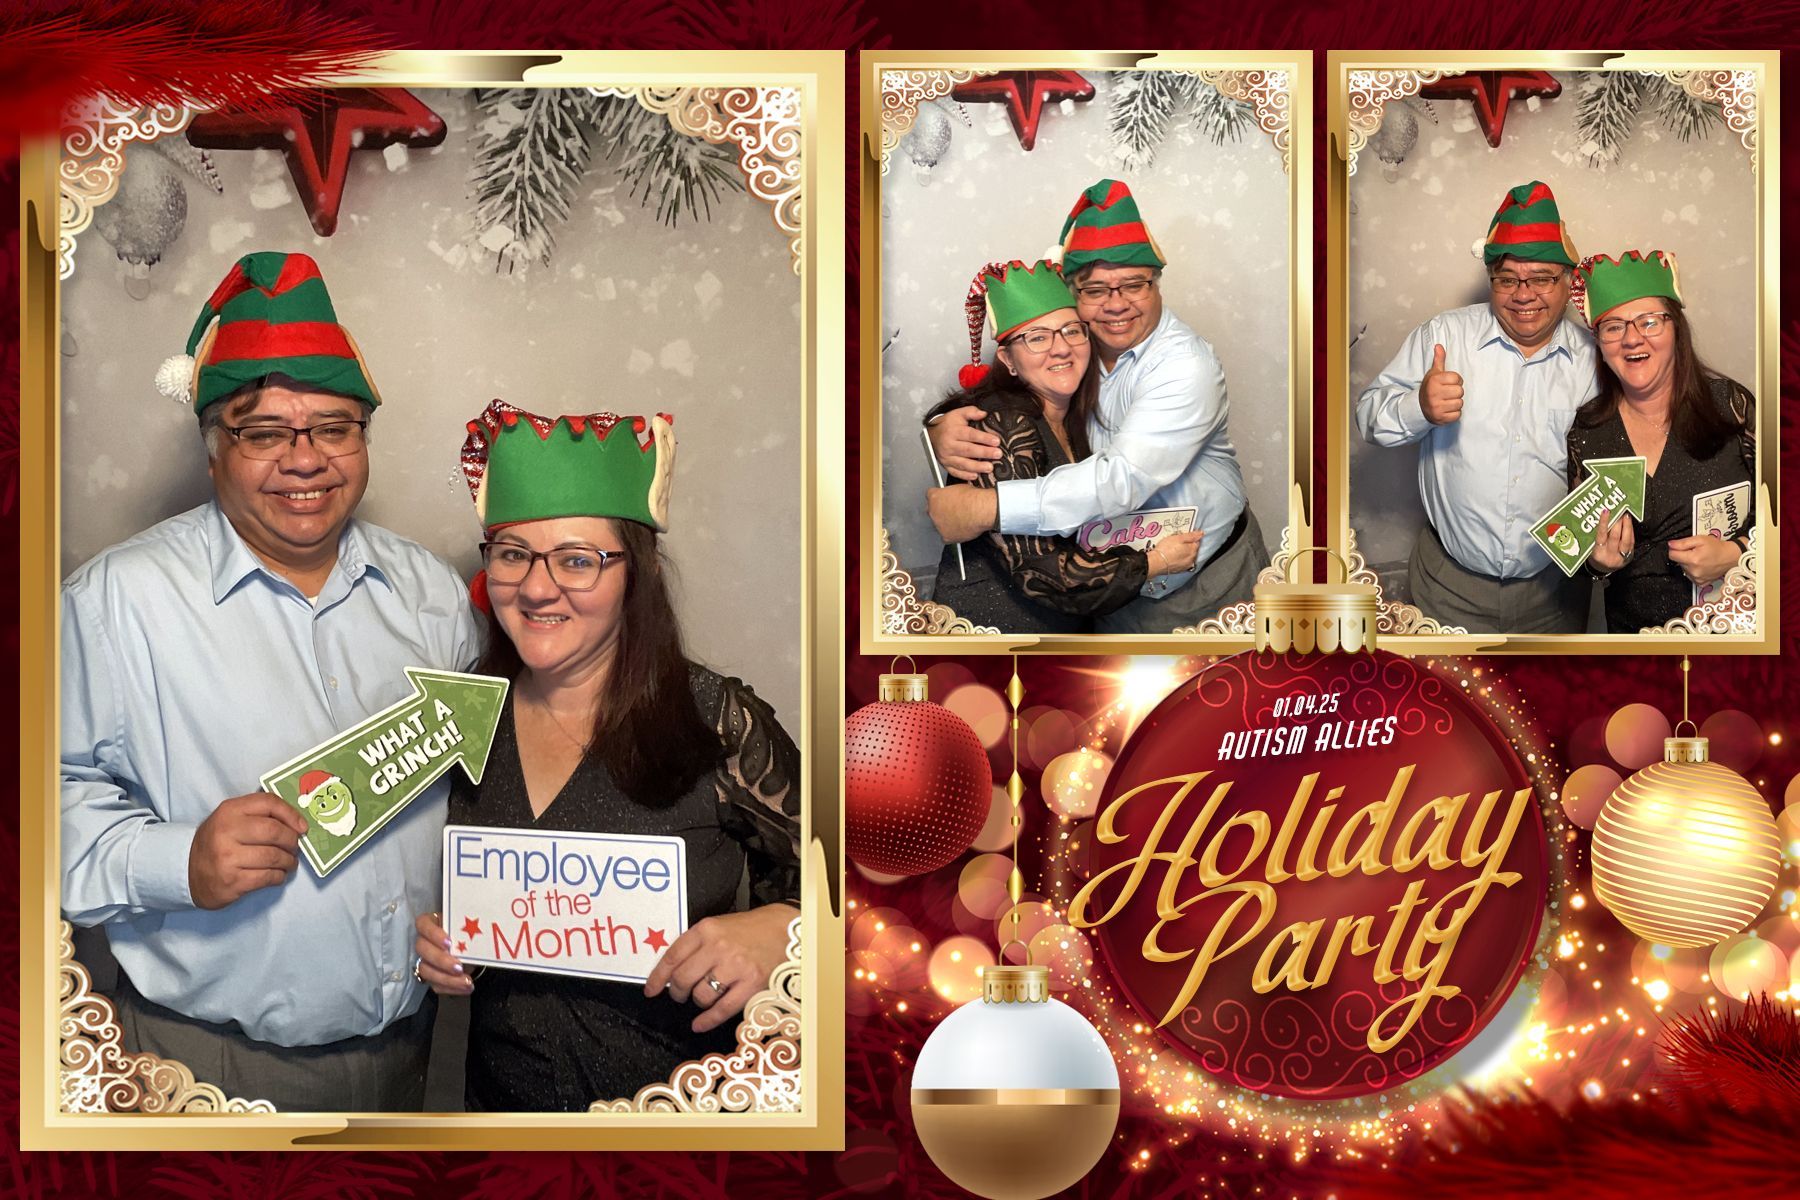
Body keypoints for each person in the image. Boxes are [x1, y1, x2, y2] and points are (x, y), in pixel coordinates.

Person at [60, 251, 481, 1110]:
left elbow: (482, 785)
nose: (306, 458)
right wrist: (177, 860)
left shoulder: (432, 595)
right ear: (215, 449)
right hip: (203, 1066)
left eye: (334, 426)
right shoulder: (115, 601)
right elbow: (39, 806)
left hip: (409, 1055)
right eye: (265, 433)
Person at [414, 400, 801, 1111]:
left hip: (683, 1126)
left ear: (638, 572)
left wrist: (785, 930)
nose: (535, 587)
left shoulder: (718, 717)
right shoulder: (463, 713)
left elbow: (871, 895)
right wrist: (436, 939)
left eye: (577, 560)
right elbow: (444, 886)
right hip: (507, 1127)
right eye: (511, 554)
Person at [925, 180, 1267, 633]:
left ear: (1158, 284)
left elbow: (1119, 479)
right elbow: (1006, 399)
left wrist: (987, 507)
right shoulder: (1075, 359)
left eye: (1133, 285)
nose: (1116, 305)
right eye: (1095, 290)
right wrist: (939, 430)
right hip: (1101, 592)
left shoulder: (1185, 365)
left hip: (1204, 583)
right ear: (1075, 295)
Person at [1355, 179, 1596, 634]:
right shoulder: (1443, 336)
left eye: (1542, 278)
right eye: (1507, 279)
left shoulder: (1597, 360)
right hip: (1448, 588)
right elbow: (1368, 416)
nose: (1523, 295)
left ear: (1569, 282)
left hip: (1557, 591)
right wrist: (1417, 407)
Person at [927, 259, 1204, 632]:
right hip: (996, 636)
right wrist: (1157, 562)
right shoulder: (1002, 425)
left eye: (1072, 331)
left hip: (1061, 633)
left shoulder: (1077, 415)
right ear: (1008, 359)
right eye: (1037, 337)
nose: (1060, 349)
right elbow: (1046, 577)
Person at [1570, 250, 1755, 631]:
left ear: (1676, 329)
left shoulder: (1731, 407)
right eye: (1613, 327)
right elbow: (1583, 552)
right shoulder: (1587, 431)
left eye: (1649, 321)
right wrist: (1598, 564)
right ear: (1601, 345)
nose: (1632, 338)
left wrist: (1738, 553)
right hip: (1634, 641)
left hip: (1731, 633)